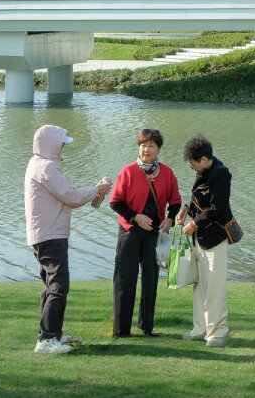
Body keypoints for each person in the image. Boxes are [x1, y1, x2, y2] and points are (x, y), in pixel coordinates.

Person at [23, 125, 111, 354]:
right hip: (50, 235)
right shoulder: (46, 167)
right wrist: (97, 189)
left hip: (45, 234)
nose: (62, 147)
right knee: (58, 285)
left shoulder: (38, 164)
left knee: (50, 286)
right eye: (61, 142)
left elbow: (69, 198)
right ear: (51, 144)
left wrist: (95, 191)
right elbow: (70, 196)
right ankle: (46, 340)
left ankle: (53, 333)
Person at [109, 129, 181, 338]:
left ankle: (147, 326)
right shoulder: (128, 171)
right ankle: (121, 330)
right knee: (125, 280)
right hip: (129, 231)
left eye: (151, 146)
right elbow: (115, 202)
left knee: (150, 279)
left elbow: (175, 202)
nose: (146, 149)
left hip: (153, 233)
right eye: (143, 145)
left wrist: (170, 219)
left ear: (158, 149)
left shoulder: (167, 173)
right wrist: (135, 217)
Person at [176, 135, 233, 346]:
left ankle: (218, 332)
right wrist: (186, 209)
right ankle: (200, 329)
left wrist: (194, 224)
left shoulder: (221, 174)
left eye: (193, 163)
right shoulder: (203, 172)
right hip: (199, 239)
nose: (191, 167)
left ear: (204, 159)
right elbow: (198, 200)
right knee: (199, 285)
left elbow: (217, 207)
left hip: (215, 238)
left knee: (214, 287)